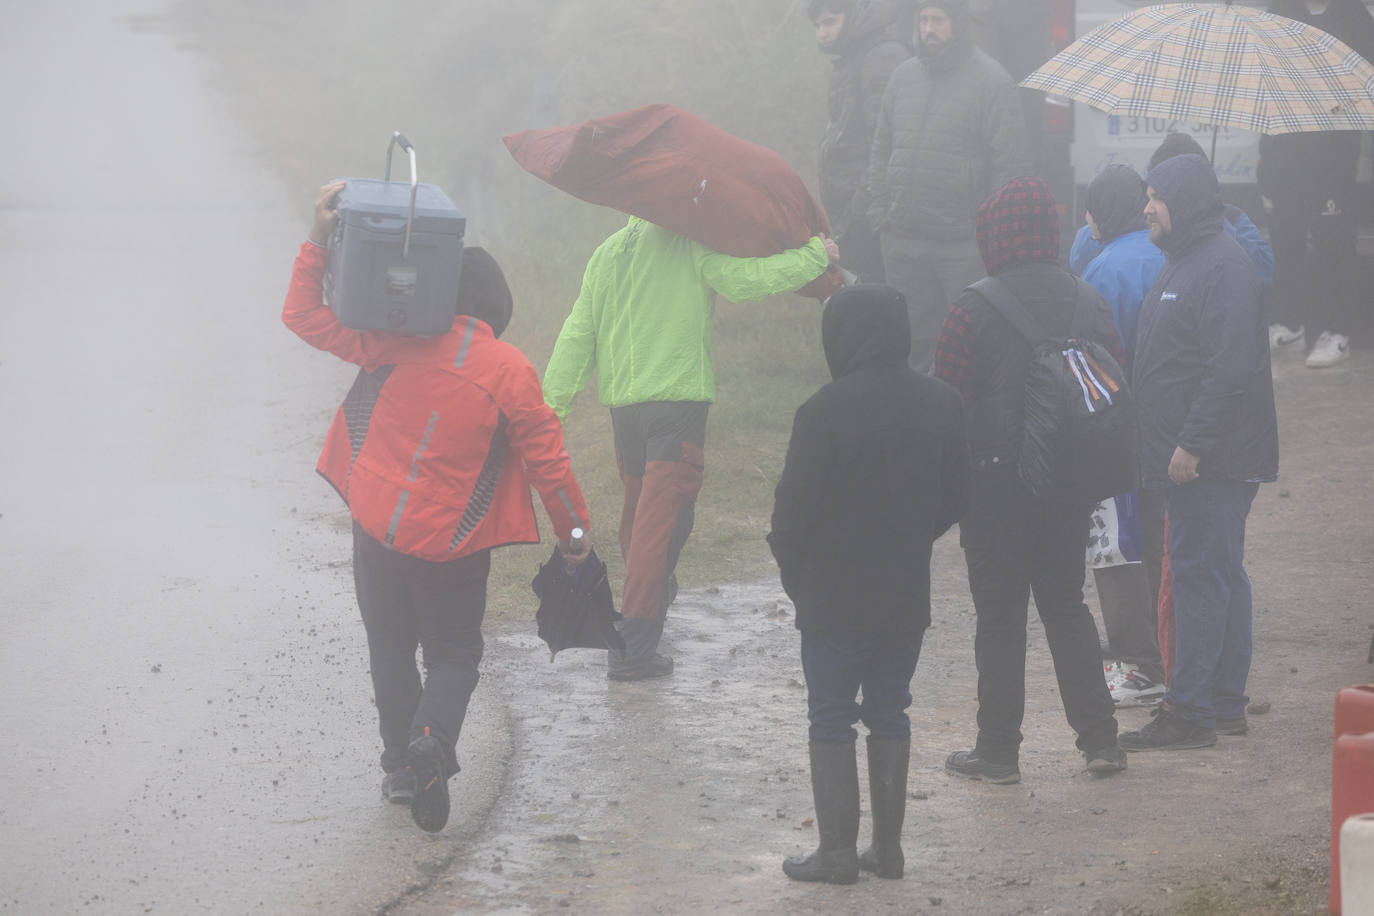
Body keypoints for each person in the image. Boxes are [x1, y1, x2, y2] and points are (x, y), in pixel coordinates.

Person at [282, 182, 593, 833]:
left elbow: (303, 315)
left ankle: (402, 768)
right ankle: (431, 739)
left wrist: (318, 238)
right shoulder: (509, 369)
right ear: (498, 309)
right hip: (450, 548)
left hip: (375, 529)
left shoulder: (394, 339)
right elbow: (549, 463)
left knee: (390, 649)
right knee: (452, 655)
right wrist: (573, 536)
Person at [542, 217, 838, 681]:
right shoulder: (687, 239)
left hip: (626, 413)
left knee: (640, 521)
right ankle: (633, 647)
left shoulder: (608, 252)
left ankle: (649, 601)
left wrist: (550, 413)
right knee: (659, 529)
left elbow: (576, 335)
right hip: (675, 405)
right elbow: (746, 280)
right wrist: (816, 256)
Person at [770, 284, 968, 884]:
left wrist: (799, 580)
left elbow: (789, 518)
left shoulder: (822, 410)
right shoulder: (943, 403)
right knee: (890, 710)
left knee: (831, 716)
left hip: (833, 595)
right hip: (904, 591)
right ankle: (887, 851)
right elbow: (955, 497)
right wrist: (909, 539)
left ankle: (836, 854)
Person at [934, 177, 1126, 784]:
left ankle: (997, 753)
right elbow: (1114, 382)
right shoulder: (1088, 300)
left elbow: (946, 400)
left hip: (993, 487)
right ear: (1049, 229)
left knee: (999, 616)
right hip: (1067, 482)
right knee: (1066, 604)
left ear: (994, 233)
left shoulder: (971, 307)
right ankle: (1101, 742)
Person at [1120, 154, 1279, 752]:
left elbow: (1230, 367)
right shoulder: (1186, 258)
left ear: (1184, 201)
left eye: (1156, 197)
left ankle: (1189, 711)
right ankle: (1223, 703)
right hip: (1197, 455)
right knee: (1219, 573)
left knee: (1198, 577)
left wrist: (1192, 444)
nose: (1146, 208)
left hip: (1210, 460)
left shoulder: (1224, 267)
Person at [866, 0, 1029, 373]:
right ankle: (915, 410)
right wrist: (881, 215)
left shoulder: (992, 81)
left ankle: (962, 411)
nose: (928, 29)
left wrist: (988, 239)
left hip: (962, 247)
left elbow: (1010, 167)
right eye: (923, 19)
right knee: (909, 345)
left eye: (937, 20)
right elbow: (880, 148)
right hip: (902, 241)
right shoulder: (902, 77)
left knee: (968, 346)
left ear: (957, 23)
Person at [1076, 164, 1168, 708]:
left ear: (1100, 214)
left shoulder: (1104, 268)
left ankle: (1139, 666)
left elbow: (1092, 360)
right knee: (1166, 540)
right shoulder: (1168, 252)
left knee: (1121, 545)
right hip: (1173, 425)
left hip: (1121, 429)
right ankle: (1174, 652)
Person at [1261, 0, 1374, 368]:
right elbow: (1268, 95)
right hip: (1287, 155)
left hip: (1334, 159)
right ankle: (1290, 322)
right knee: (1285, 239)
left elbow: (1365, 84)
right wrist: (1266, 170)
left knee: (1333, 244)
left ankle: (1337, 331)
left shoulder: (1355, 19)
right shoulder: (1280, 13)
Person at [1069, 133, 1274, 286]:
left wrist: (1215, 222)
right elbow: (1080, 258)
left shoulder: (1230, 218)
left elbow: (1264, 271)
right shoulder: (1138, 219)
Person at [812, 0, 910, 283]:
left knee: (875, 297)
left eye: (830, 22)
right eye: (817, 25)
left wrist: (860, 208)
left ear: (855, 13)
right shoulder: (851, 59)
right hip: (852, 213)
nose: (821, 33)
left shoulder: (881, 57)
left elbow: (887, 142)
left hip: (871, 216)